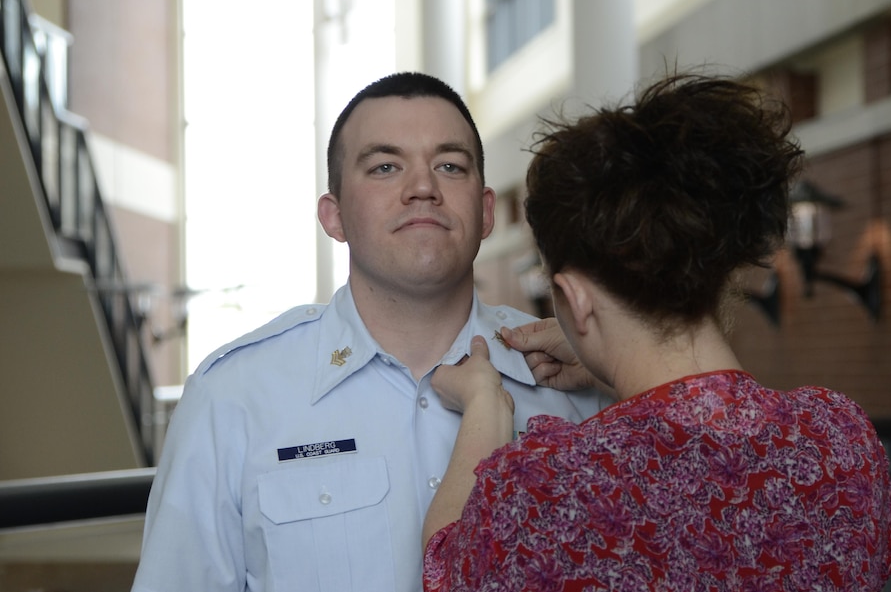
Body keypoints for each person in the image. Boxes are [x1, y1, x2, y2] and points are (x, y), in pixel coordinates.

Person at [422, 72, 891, 591]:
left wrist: (484, 408)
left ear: (575, 299)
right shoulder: (839, 439)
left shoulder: (547, 487)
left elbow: (445, 566)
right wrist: (610, 369)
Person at [131, 72, 604, 592]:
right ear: (334, 218)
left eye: (449, 166)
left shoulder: (584, 382)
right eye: (384, 167)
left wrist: (607, 363)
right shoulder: (234, 399)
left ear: (486, 211)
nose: (422, 187)